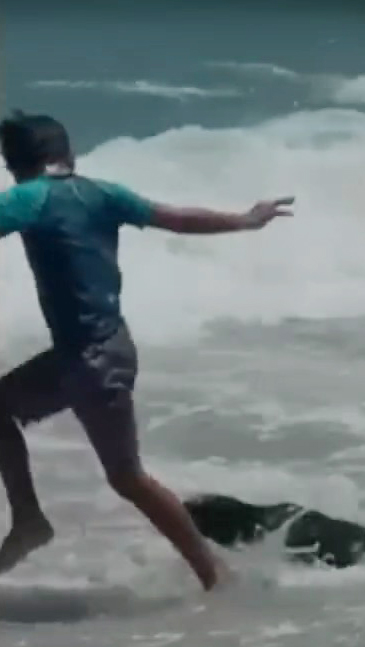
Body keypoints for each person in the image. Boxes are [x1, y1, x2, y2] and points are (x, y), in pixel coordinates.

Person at [0, 111, 294, 589]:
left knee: (127, 477)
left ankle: (214, 574)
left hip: (88, 361)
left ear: (13, 164)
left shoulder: (28, 198)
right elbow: (177, 218)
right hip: (104, 350)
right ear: (67, 155)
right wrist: (245, 220)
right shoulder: (103, 193)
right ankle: (30, 521)